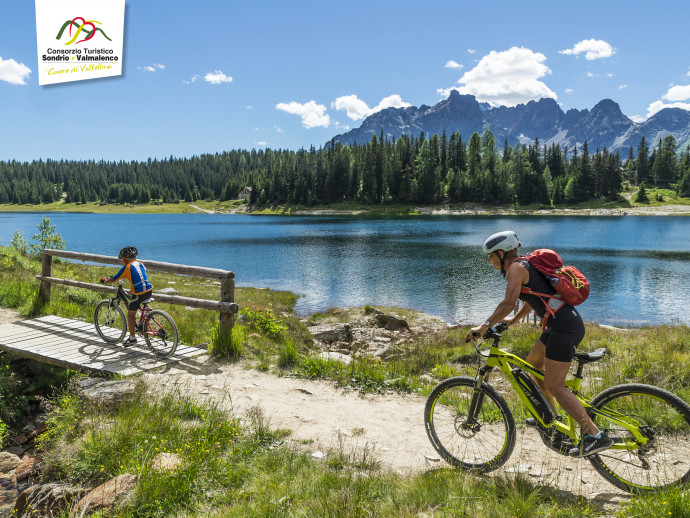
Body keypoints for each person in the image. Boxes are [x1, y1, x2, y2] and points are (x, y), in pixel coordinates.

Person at [464, 230, 613, 457]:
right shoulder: (524, 266)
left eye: (491, 255)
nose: (489, 260)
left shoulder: (516, 268)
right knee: (533, 365)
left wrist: (482, 327)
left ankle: (594, 434)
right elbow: (534, 298)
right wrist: (511, 322)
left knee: (555, 385)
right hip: (559, 325)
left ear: (502, 253)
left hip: (564, 327)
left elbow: (507, 302)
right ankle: (551, 418)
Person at [100, 246, 153, 346]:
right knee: (140, 301)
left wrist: (105, 280)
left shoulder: (127, 267)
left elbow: (115, 278)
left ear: (125, 259)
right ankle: (148, 311)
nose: (123, 261)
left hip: (139, 293)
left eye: (123, 259)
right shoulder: (141, 264)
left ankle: (132, 338)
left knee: (131, 313)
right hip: (149, 290)